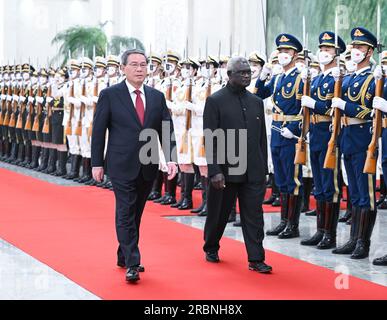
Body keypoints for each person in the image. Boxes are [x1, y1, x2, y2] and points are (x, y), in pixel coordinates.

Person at [91, 49, 178, 283]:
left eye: (143, 65)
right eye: (135, 65)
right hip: (120, 163)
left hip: (148, 162)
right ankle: (133, 262)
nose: (140, 69)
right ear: (123, 68)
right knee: (125, 210)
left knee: (136, 212)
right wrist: (96, 163)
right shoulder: (110, 94)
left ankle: (123, 253)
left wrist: (171, 159)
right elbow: (99, 131)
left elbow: (166, 130)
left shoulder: (156, 96)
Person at [203, 56, 272, 274]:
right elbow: (210, 137)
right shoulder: (215, 100)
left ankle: (256, 258)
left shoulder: (256, 102)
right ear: (229, 74)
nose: (246, 76)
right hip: (226, 169)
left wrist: (264, 167)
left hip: (253, 169)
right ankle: (211, 245)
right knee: (219, 213)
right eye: (241, 72)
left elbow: (262, 138)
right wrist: (214, 170)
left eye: (249, 72)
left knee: (254, 215)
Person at [332, 27, 377, 260]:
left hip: (363, 138)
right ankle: (352, 238)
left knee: (365, 194)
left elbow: (371, 112)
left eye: (360, 47)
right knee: (354, 191)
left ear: (369, 52)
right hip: (347, 137)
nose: (356, 51)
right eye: (355, 47)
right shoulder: (349, 77)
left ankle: (363, 243)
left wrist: (345, 106)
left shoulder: (373, 79)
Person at [300, 31, 346, 249]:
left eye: (327, 49)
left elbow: (332, 108)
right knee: (318, 184)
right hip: (316, 133)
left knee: (330, 184)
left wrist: (313, 104)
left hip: (329, 133)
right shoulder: (317, 78)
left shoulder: (338, 79)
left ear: (336, 53)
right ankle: (320, 231)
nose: (323, 52)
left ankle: (330, 234)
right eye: (321, 49)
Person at [256, 34, 304, 239]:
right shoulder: (277, 78)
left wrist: (294, 128)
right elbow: (258, 95)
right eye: (281, 51)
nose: (283, 55)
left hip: (290, 133)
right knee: (281, 179)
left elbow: (304, 109)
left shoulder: (300, 78)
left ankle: (293, 225)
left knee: (292, 180)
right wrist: (262, 76)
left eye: (286, 51)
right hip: (276, 132)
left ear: (294, 54)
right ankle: (284, 221)